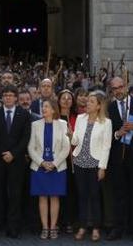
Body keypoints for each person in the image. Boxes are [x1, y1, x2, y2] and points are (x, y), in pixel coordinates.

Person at [0, 85, 31, 239]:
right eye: (6, 95)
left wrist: (13, 153)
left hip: (16, 161)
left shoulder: (24, 114)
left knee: (15, 195)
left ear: (16, 98)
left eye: (11, 95)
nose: (8, 97)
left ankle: (13, 228)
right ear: (2, 97)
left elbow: (25, 137)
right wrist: (3, 153)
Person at [106, 77, 133, 242]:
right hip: (117, 158)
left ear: (126, 86)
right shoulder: (109, 108)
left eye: (120, 87)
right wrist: (117, 134)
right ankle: (118, 228)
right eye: (114, 88)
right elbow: (105, 134)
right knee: (118, 194)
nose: (118, 90)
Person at [71, 90, 112, 242]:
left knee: (95, 197)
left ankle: (95, 228)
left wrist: (102, 167)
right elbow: (75, 141)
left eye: (91, 102)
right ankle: (82, 227)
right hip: (80, 161)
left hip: (95, 163)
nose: (87, 103)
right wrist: (70, 134)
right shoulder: (81, 118)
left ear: (99, 106)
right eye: (87, 101)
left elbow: (106, 146)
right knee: (82, 196)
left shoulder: (106, 122)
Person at [28, 98, 70, 240]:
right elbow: (31, 147)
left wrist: (54, 163)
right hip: (39, 167)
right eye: (42, 106)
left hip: (57, 168)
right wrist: (42, 162)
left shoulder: (62, 124)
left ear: (53, 109)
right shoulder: (35, 125)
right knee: (42, 197)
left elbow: (66, 147)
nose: (43, 109)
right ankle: (45, 227)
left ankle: (53, 228)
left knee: (54, 197)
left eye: (46, 106)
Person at [57, 89, 77, 234]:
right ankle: (57, 220)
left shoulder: (78, 117)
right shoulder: (55, 116)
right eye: (63, 98)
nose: (66, 100)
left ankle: (69, 220)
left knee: (71, 190)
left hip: (72, 158)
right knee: (58, 190)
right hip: (58, 158)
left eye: (69, 98)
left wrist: (73, 136)